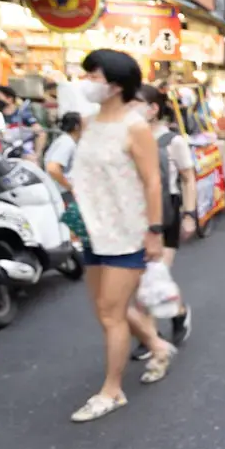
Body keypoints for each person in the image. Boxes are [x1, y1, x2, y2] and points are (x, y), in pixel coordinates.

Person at [68, 49, 175, 423]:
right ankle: (157, 345)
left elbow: (152, 181)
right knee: (105, 310)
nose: (87, 82)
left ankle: (112, 391)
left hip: (127, 232)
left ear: (115, 85)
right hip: (93, 230)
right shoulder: (88, 121)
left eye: (94, 76)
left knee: (112, 314)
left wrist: (154, 232)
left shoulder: (135, 126)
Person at [128, 84, 196, 361]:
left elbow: (188, 177)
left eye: (135, 103)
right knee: (138, 279)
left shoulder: (173, 141)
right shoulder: (127, 138)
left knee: (151, 278)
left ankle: (150, 337)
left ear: (153, 109)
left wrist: (190, 215)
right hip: (133, 214)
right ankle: (177, 313)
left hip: (165, 214)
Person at [0, 85, 46, 162]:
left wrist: (36, 154)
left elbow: (41, 133)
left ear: (9, 99)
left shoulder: (23, 115)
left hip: (24, 156)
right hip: (2, 157)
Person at [44, 111, 84, 203]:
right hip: (62, 193)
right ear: (76, 126)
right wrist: (69, 186)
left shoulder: (66, 141)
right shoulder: (66, 143)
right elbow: (53, 168)